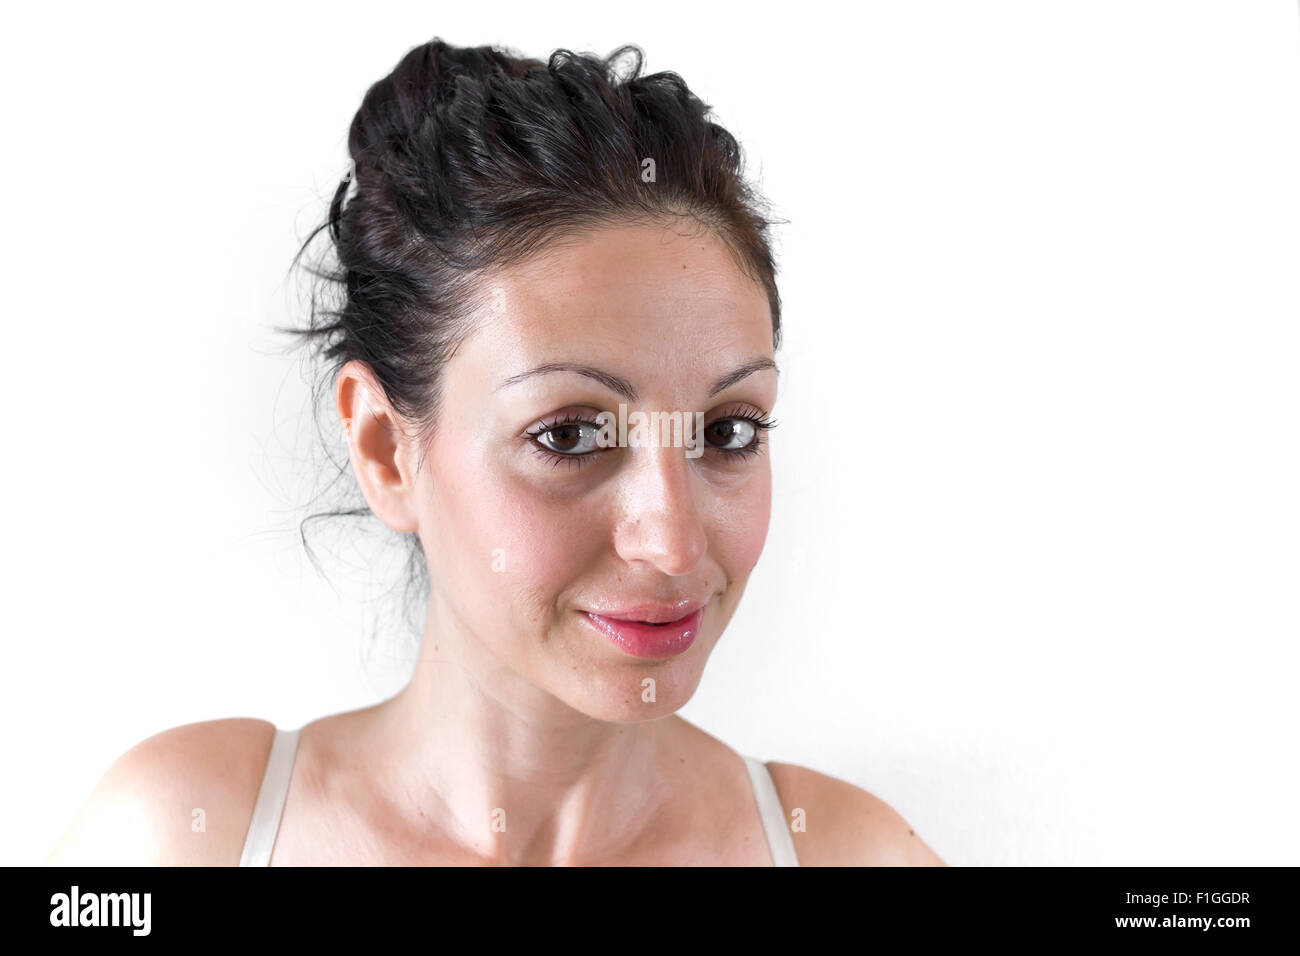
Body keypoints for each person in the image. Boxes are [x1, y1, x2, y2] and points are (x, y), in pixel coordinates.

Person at [47, 37, 945, 866]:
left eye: (727, 432)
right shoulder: (179, 838)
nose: (672, 543)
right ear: (385, 450)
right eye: (569, 435)